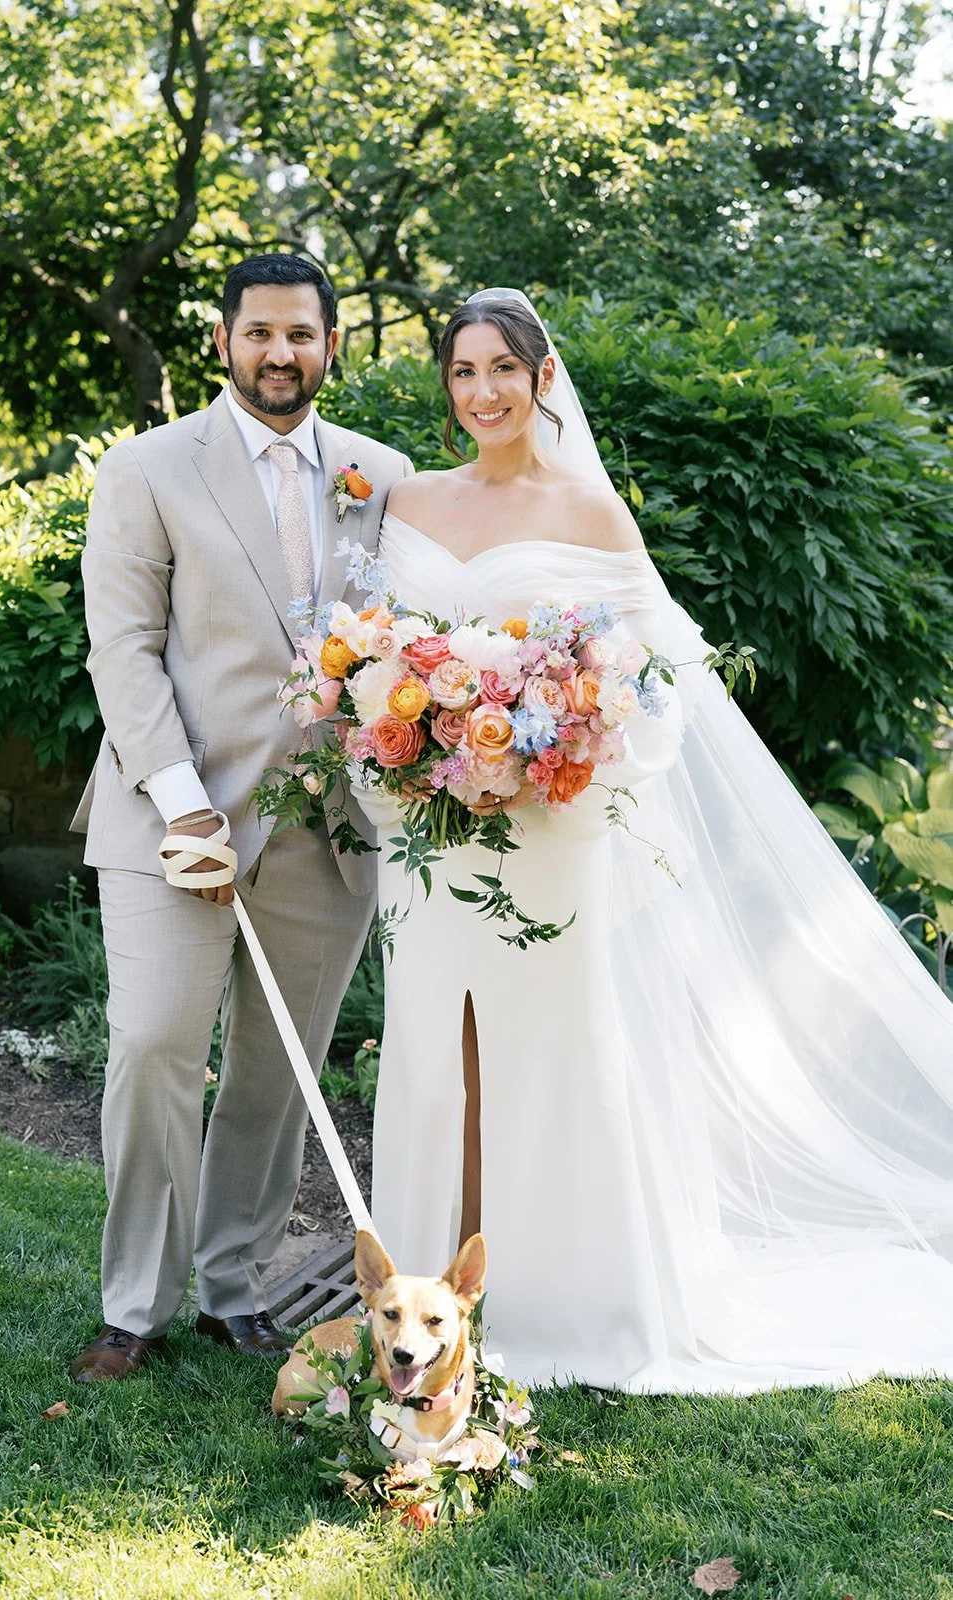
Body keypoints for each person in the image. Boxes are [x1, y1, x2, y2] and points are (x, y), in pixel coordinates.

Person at [362, 288, 953, 1393]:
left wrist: (549, 759)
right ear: (445, 388)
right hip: (432, 846)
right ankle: (421, 1303)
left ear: (542, 379)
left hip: (548, 835)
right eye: (460, 372)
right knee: (436, 1060)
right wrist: (409, 745)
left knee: (554, 1051)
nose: (480, 391)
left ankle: (564, 1300)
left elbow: (658, 684)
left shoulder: (591, 515)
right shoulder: (408, 500)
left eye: (501, 368)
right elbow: (372, 663)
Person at [68, 253, 412, 1380]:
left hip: (325, 827)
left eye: (301, 336)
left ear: (330, 347)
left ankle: (233, 1284)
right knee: (154, 1042)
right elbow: (121, 650)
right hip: (175, 820)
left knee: (280, 1069)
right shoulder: (148, 466)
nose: (280, 354)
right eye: (258, 333)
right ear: (224, 341)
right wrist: (186, 806)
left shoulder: (380, 475)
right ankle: (134, 1304)